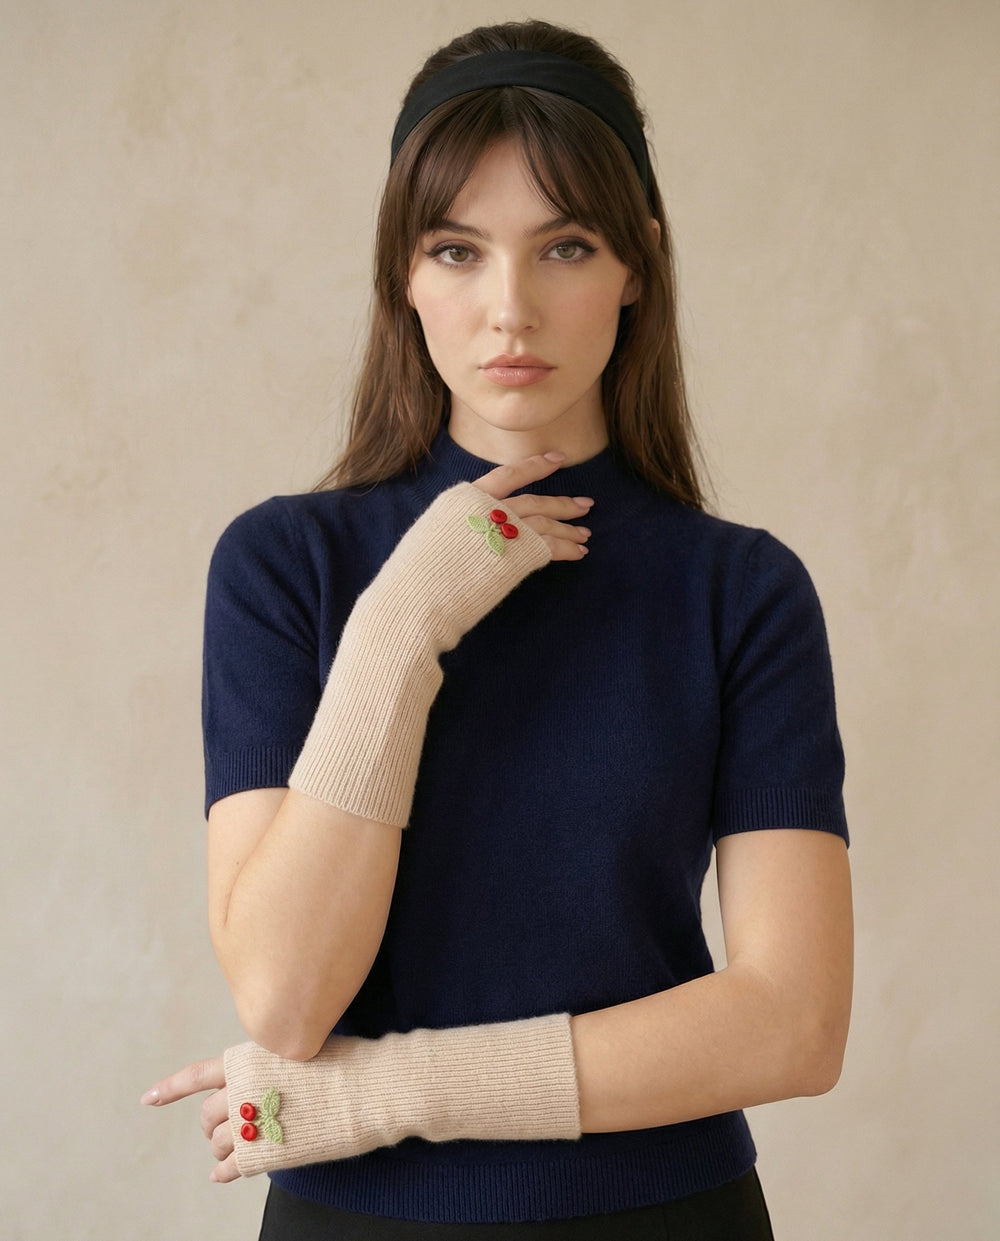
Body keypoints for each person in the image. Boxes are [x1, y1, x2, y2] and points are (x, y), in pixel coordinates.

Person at [142, 19, 853, 1240]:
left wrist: (395, 1092)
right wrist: (404, 619)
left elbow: (793, 1022)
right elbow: (286, 998)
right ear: (401, 275)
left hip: (663, 1215)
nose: (508, 308)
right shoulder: (285, 567)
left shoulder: (739, 590)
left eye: (563, 245)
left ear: (637, 264)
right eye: (457, 250)